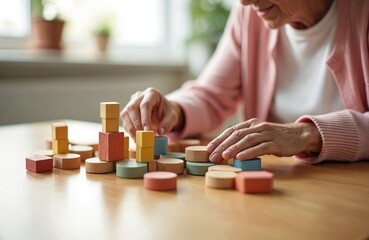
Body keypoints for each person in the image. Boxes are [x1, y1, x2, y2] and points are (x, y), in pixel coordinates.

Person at [121, 0, 369, 164]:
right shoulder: (249, 15)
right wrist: (175, 109)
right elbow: (212, 94)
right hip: (275, 186)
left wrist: (305, 134)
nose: (244, 1)